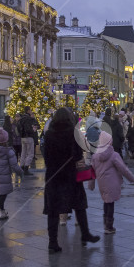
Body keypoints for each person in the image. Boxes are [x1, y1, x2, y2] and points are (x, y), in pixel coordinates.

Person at [43, 107, 100, 254]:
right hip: (69, 175)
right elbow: (77, 155)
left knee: (53, 210)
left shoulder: (49, 134)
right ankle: (85, 234)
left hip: (53, 176)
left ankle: (53, 242)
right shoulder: (72, 134)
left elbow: (47, 157)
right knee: (79, 205)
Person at [87, 131, 134, 234]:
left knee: (106, 202)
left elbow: (92, 171)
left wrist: (91, 184)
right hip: (112, 182)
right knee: (110, 203)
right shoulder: (114, 155)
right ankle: (109, 226)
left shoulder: (95, 156)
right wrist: (133, 179)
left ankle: (106, 224)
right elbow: (123, 169)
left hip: (102, 183)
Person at [18, 108, 38, 175]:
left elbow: (18, 128)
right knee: (30, 153)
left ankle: (22, 166)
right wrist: (33, 131)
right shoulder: (28, 119)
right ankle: (26, 168)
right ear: (28, 111)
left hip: (22, 138)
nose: (31, 111)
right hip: (29, 137)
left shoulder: (21, 119)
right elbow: (28, 129)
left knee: (23, 153)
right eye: (30, 110)